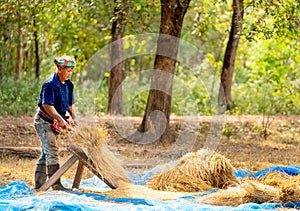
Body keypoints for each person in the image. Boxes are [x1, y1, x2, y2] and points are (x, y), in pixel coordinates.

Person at [33, 55, 77, 190]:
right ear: (59, 68)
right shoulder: (50, 84)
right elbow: (47, 106)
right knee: (52, 151)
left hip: (55, 121)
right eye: (67, 70)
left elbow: (69, 104)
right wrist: (60, 119)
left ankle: (39, 185)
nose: (69, 73)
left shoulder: (69, 84)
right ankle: (56, 184)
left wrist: (74, 118)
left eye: (71, 71)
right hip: (44, 121)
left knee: (46, 153)